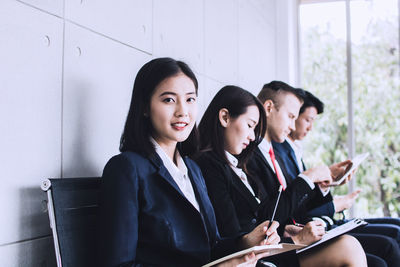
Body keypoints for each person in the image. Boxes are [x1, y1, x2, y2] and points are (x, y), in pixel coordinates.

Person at [98, 58, 280, 267]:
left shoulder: (192, 169)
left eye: (190, 99)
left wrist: (245, 242)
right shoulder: (126, 169)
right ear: (145, 107)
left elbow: (210, 247)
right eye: (168, 100)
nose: (183, 111)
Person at [195, 85, 367, 267]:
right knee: (350, 246)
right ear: (224, 117)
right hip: (253, 256)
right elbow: (235, 234)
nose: (253, 137)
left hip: (270, 246)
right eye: (250, 126)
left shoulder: (238, 164)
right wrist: (294, 241)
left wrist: (284, 230)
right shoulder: (210, 164)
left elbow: (261, 215)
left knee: (355, 246)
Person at [249, 81, 397, 266]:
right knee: (381, 251)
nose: (293, 126)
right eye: (291, 116)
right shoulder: (251, 156)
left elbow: (289, 206)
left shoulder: (273, 154)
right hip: (281, 244)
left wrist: (322, 185)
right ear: (269, 108)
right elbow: (268, 213)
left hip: (297, 233)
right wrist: (309, 179)